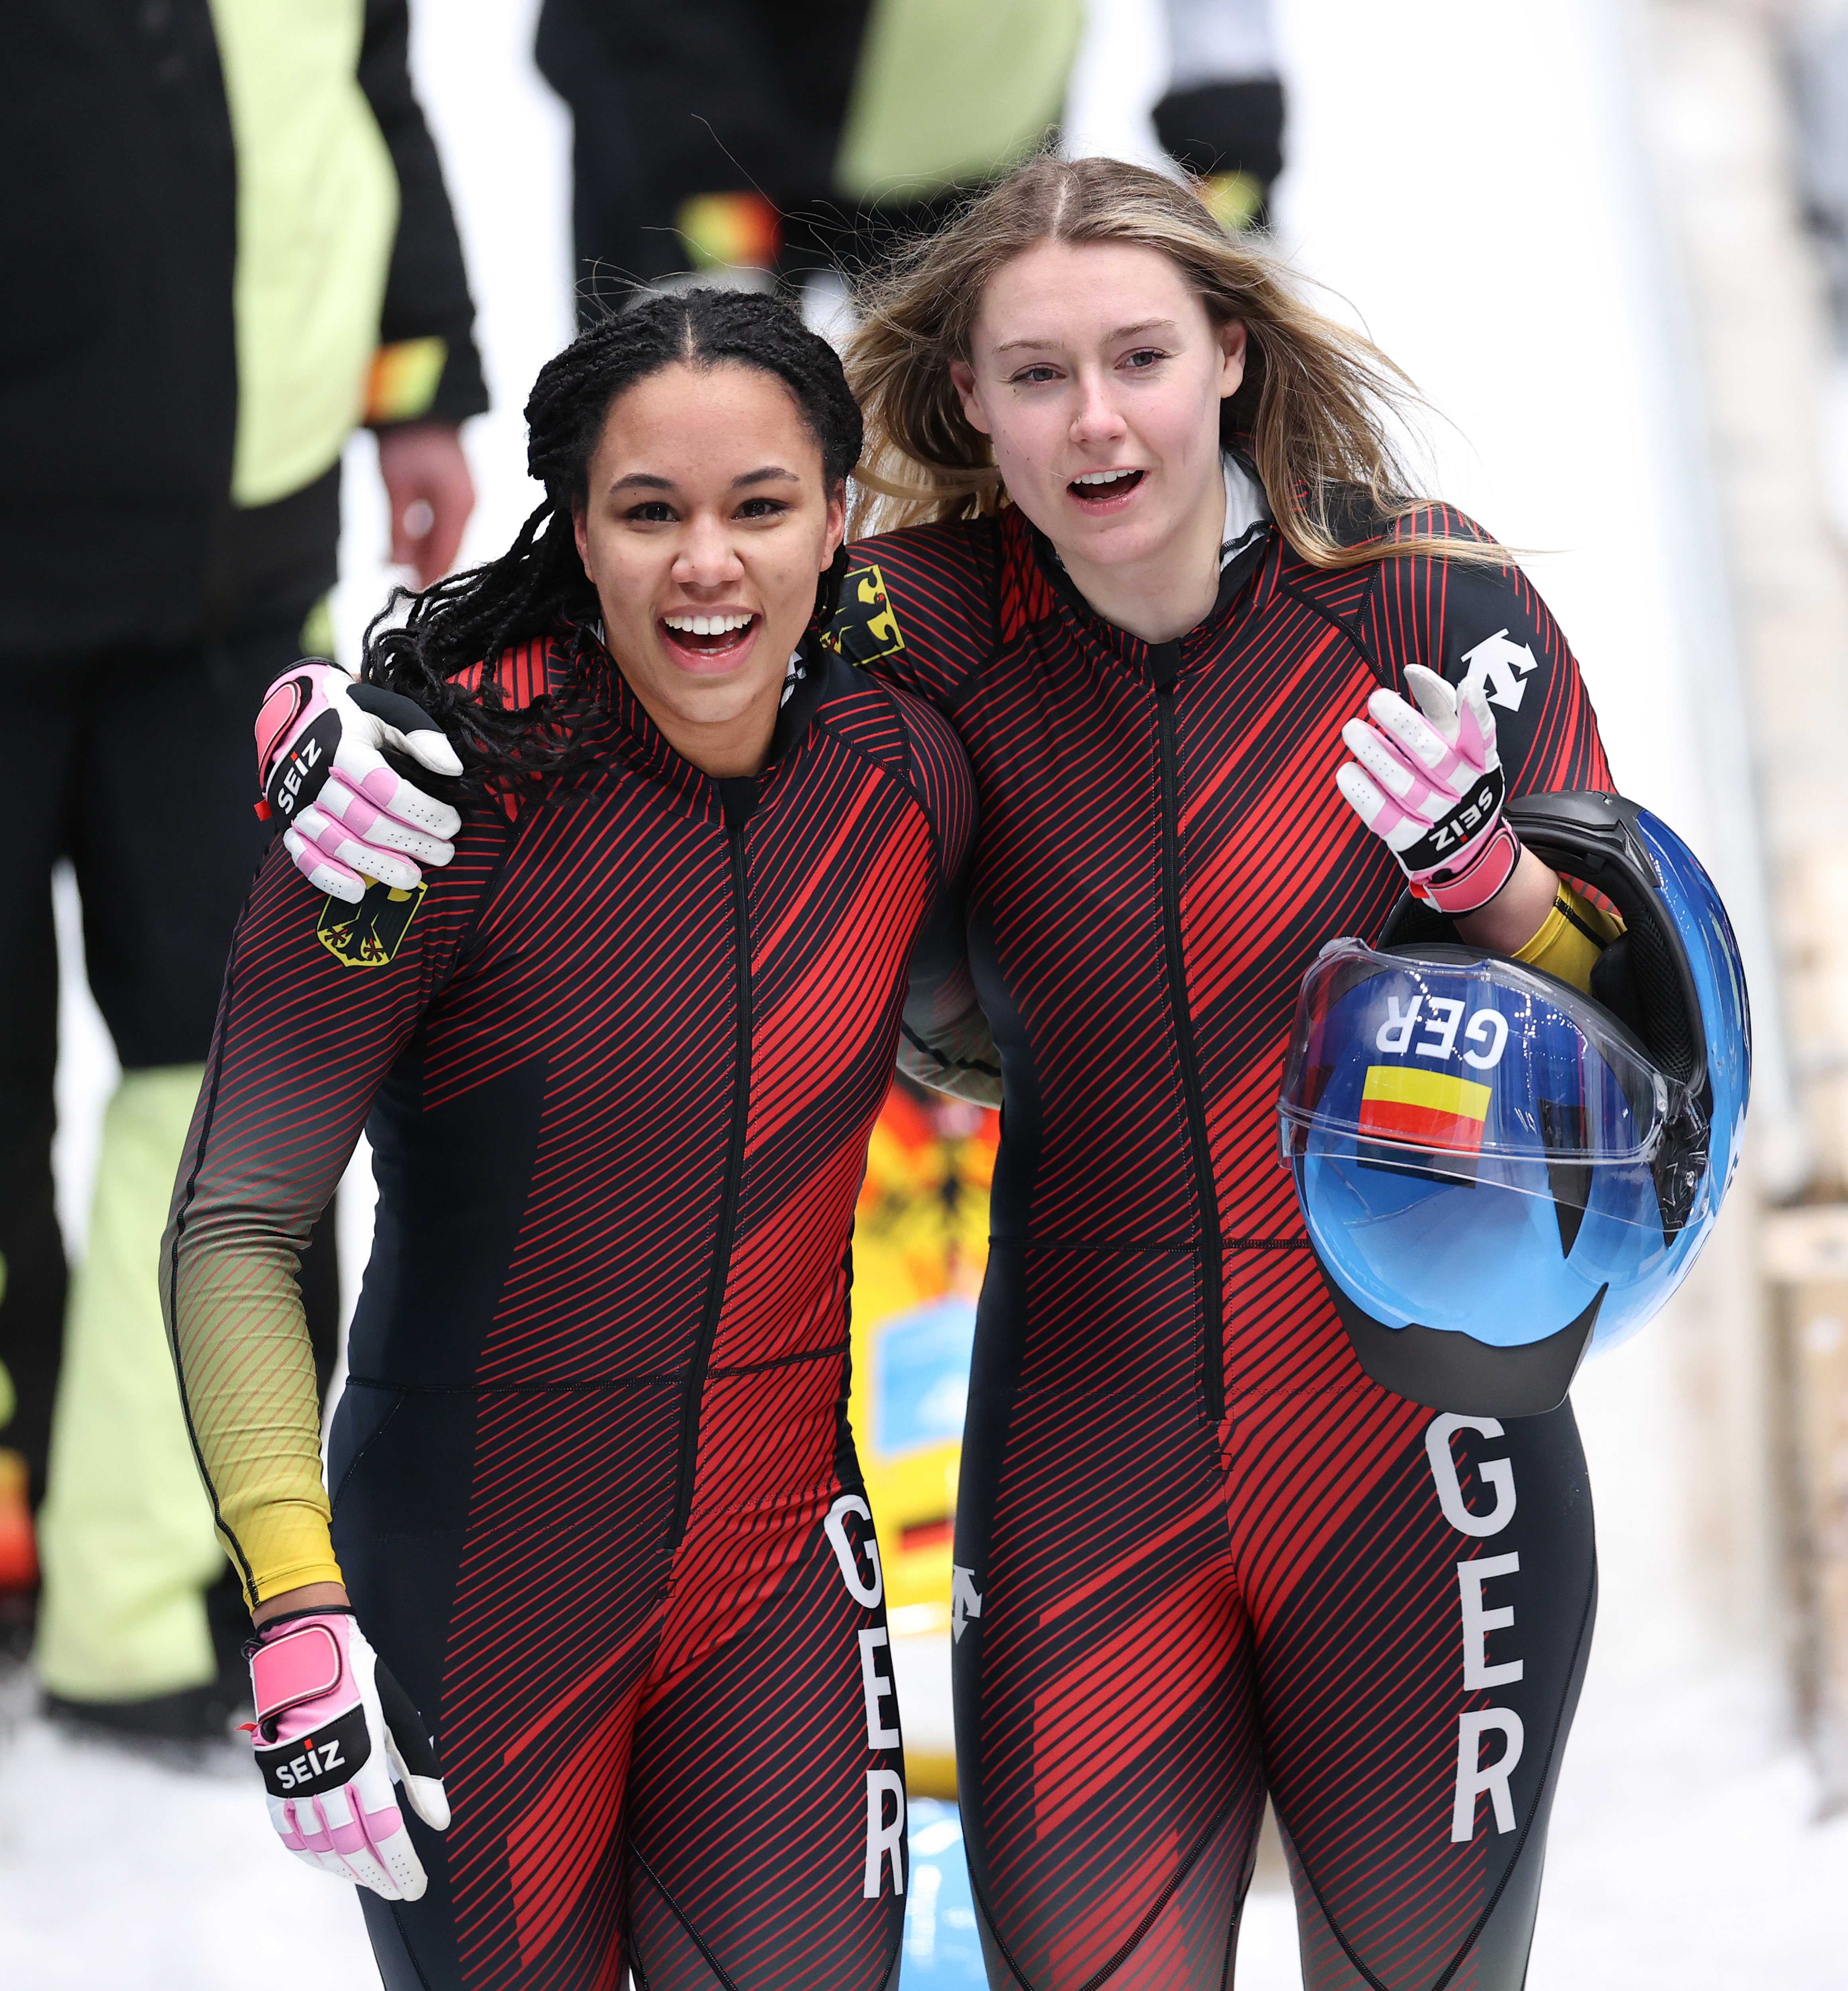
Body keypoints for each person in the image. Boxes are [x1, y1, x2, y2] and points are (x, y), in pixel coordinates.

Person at [249, 156, 1628, 1989]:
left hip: (1422, 1456)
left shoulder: (1430, 607)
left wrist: (1491, 885)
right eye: (1035, 372)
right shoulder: (923, 624)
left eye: (1136, 355)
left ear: (1227, 350)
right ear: (963, 398)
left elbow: (1658, 1047)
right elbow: (633, 628)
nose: (1095, 418)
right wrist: (336, 721)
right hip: (1088, 1454)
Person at [164, 289, 974, 1990]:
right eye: (648, 512)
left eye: (759, 507)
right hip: (471, 1577)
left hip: (777, 1571)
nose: (708, 565)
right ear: (575, 527)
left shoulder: (905, 762)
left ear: (839, 521)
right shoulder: (414, 801)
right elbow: (240, 1219)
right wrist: (297, 1599)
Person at [2, 0, 485, 1737]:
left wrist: (417, 382)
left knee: (235, 1073)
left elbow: (365, 94)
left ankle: (170, 1592)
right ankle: (17, 1531)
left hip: (229, 569)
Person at [534, 0, 1285, 310]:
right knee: (686, 441)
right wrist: (704, 217)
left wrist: (1232, 186)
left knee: (979, 485)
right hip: (701, 138)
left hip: (972, 150)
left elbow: (1220, 29)